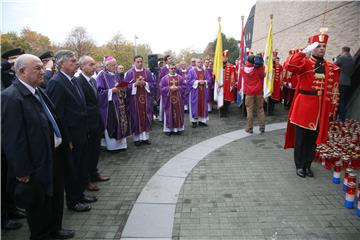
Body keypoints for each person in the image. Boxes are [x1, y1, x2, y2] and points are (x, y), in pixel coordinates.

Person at [2, 54, 74, 239]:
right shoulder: (11, 97)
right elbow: (12, 139)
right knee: (39, 205)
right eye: (37, 68)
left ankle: (55, 230)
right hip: (35, 164)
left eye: (42, 67)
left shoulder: (37, 90)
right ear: (22, 71)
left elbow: (53, 120)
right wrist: (22, 170)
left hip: (53, 155)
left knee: (56, 197)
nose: (43, 71)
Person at [284, 29, 340, 178]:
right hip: (303, 107)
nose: (321, 49)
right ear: (312, 47)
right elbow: (289, 65)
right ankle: (299, 165)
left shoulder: (330, 67)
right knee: (301, 139)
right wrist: (303, 52)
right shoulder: (305, 63)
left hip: (320, 110)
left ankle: (308, 165)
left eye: (323, 46)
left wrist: (331, 110)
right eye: (318, 46)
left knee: (312, 141)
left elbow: (334, 90)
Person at [46, 50, 96, 212]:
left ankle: (80, 195)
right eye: (73, 61)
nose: (76, 64)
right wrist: (67, 140)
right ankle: (73, 201)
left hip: (82, 132)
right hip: (71, 137)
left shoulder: (73, 80)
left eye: (76, 61)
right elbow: (58, 115)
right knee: (72, 169)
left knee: (81, 166)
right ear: (62, 64)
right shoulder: (56, 82)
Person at [76, 56, 110, 192]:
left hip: (96, 123)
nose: (94, 67)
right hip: (88, 124)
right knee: (87, 154)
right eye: (91, 64)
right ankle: (86, 180)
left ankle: (94, 174)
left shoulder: (92, 80)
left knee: (95, 151)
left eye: (94, 64)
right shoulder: (79, 82)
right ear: (82, 66)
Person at [96, 56, 130, 151]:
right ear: (106, 65)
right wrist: (112, 90)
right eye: (113, 65)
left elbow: (120, 85)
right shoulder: (101, 76)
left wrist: (123, 88)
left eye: (116, 64)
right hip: (109, 106)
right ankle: (112, 147)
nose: (115, 66)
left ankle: (122, 145)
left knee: (121, 123)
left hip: (120, 103)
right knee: (113, 124)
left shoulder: (116, 74)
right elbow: (99, 92)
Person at [124, 55, 154, 146]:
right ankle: (136, 139)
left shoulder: (147, 72)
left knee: (146, 117)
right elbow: (125, 87)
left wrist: (146, 83)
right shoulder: (129, 73)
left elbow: (153, 84)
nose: (140, 63)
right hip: (134, 101)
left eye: (141, 61)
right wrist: (134, 84)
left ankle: (145, 138)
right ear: (134, 62)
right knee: (136, 118)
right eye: (138, 62)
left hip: (146, 100)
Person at [241, 55, 265, 134]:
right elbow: (263, 75)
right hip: (258, 91)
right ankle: (262, 127)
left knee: (249, 111)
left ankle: (250, 128)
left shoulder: (243, 69)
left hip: (249, 93)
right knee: (260, 109)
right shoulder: (258, 69)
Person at [160, 62, 186, 135]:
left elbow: (184, 86)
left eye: (175, 68)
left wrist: (178, 87)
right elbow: (161, 88)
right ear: (169, 69)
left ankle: (178, 129)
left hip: (178, 100)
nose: (173, 70)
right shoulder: (164, 78)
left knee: (178, 113)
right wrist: (169, 88)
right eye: (172, 68)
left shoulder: (180, 78)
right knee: (168, 113)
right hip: (168, 100)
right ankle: (168, 130)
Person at [187, 58, 211, 128]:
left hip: (203, 92)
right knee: (195, 105)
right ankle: (194, 122)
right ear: (196, 63)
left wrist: (205, 81)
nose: (199, 63)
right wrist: (197, 82)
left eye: (201, 62)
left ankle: (202, 121)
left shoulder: (205, 71)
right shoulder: (191, 71)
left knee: (203, 105)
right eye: (198, 62)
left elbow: (209, 80)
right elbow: (189, 80)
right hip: (195, 92)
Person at [334, 46, 355, 122]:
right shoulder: (352, 60)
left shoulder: (342, 58)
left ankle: (337, 117)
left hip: (340, 81)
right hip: (347, 82)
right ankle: (342, 118)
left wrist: (338, 56)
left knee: (338, 100)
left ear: (343, 51)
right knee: (343, 100)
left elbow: (334, 65)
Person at [220, 50, 236, 117]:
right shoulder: (218, 66)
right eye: (223, 57)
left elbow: (233, 76)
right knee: (220, 99)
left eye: (226, 57)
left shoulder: (231, 66)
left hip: (227, 86)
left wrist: (232, 85)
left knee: (226, 100)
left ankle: (225, 112)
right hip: (220, 85)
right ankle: (221, 112)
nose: (225, 58)